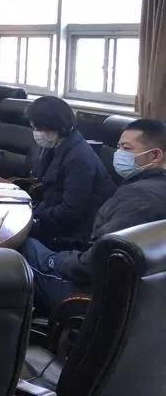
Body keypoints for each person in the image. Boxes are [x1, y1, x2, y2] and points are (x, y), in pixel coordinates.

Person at [20, 119, 166, 313]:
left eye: (126, 148)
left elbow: (94, 263)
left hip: (95, 297)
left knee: (23, 248)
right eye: (118, 147)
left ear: (155, 155)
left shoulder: (138, 198)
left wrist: (58, 260)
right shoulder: (151, 188)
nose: (118, 153)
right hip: (144, 299)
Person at [26, 96, 116, 251]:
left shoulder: (78, 158)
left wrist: (35, 213)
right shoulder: (58, 145)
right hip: (55, 218)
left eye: (38, 128)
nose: (36, 133)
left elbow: (71, 212)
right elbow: (44, 182)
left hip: (74, 236)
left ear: (56, 126)